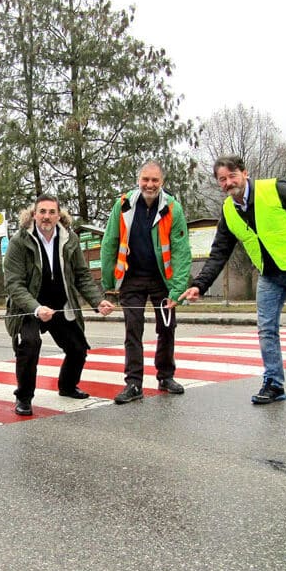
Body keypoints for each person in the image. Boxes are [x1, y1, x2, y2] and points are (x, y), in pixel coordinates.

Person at [179, 154, 286, 406]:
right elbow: (219, 252)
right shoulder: (228, 211)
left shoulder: (275, 189)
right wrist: (200, 285)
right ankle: (274, 383)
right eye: (222, 179)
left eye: (232, 176)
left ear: (244, 173)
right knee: (266, 330)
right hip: (269, 275)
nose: (228, 182)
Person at [4, 195, 115, 415]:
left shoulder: (69, 238)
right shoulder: (19, 241)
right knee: (29, 344)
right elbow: (13, 284)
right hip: (28, 307)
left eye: (51, 212)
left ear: (58, 215)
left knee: (78, 347)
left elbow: (82, 275)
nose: (46, 216)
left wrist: (97, 301)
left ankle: (67, 386)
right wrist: (36, 308)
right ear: (34, 214)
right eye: (42, 211)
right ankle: (24, 398)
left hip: (61, 305)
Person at [100, 160, 192, 404]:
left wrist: (178, 288)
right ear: (138, 180)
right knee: (133, 329)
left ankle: (165, 376)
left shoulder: (173, 209)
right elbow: (109, 242)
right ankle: (133, 383)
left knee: (167, 328)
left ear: (162, 182)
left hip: (162, 279)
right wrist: (109, 284)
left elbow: (181, 251)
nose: (149, 185)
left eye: (154, 180)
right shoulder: (123, 205)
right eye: (145, 180)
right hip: (132, 277)